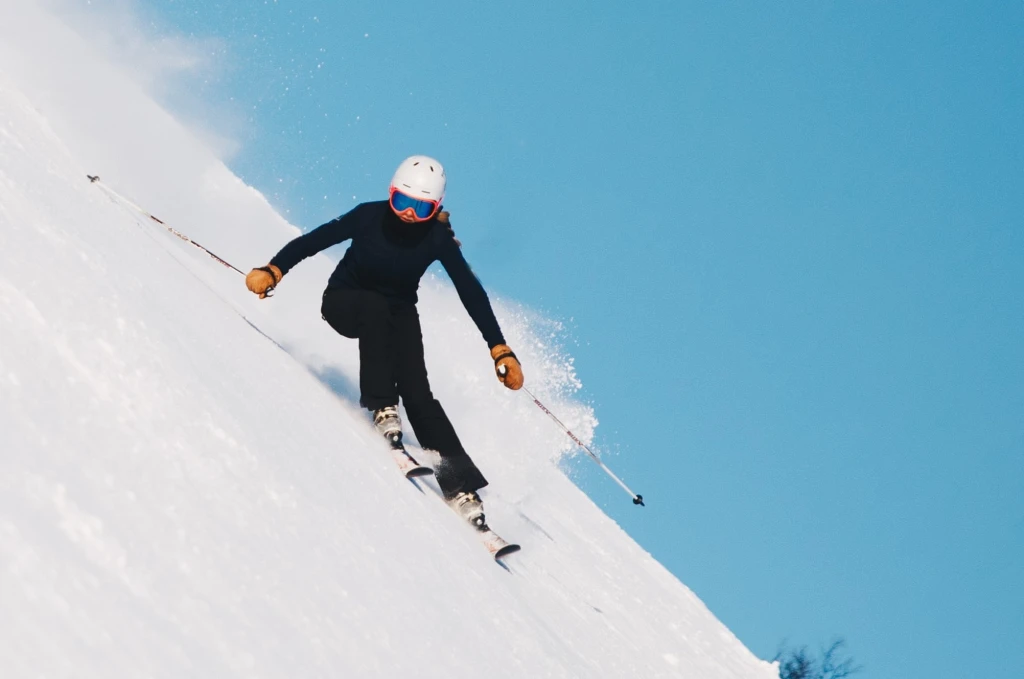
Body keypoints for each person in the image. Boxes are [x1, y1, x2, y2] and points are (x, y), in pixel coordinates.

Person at [245, 155, 523, 526]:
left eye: (421, 207)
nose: (409, 213)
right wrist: (274, 269)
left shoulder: (436, 238)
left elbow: (469, 290)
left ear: (435, 208)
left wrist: (499, 347)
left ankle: (459, 486)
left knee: (419, 391)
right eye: (402, 202)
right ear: (390, 194)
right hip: (345, 301)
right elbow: (315, 240)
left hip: (397, 312)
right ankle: (382, 405)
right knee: (375, 307)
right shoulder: (368, 216)